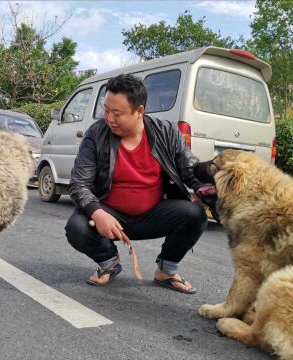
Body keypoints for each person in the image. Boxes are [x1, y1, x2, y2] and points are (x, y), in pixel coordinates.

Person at [65, 74, 209, 294]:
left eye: (117, 113)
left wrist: (204, 187)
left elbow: (189, 170)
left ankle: (166, 270)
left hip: (152, 215)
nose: (109, 118)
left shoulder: (167, 133)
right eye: (106, 110)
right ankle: (109, 262)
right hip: (110, 215)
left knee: (195, 214)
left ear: (139, 111)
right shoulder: (96, 134)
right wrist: (98, 213)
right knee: (77, 227)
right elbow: (78, 184)